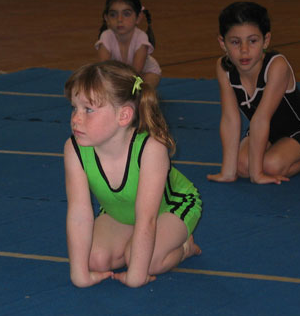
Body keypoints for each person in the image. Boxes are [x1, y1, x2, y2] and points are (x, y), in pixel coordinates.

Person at [64, 60, 202, 288]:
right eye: (74, 108)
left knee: (147, 263)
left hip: (171, 207)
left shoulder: (150, 150)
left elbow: (147, 219)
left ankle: (185, 247)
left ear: (124, 116)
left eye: (88, 110)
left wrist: (137, 276)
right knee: (94, 259)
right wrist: (79, 275)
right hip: (122, 211)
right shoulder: (75, 149)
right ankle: (132, 246)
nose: (76, 119)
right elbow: (79, 213)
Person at [207, 2, 300, 185]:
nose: (244, 50)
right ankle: (255, 164)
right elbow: (230, 118)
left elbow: (261, 118)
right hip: (266, 129)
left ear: (266, 40)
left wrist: (258, 175)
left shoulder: (276, 66)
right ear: (223, 43)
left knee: (270, 166)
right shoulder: (224, 68)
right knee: (241, 166)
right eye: (235, 42)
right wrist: (228, 172)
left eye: (252, 41)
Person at [95, 0, 161, 88]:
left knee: (143, 88)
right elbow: (104, 68)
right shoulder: (106, 37)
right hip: (118, 75)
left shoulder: (141, 37)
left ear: (138, 17)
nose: (119, 19)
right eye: (113, 14)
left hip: (144, 73)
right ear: (106, 18)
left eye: (126, 14)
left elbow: (136, 72)